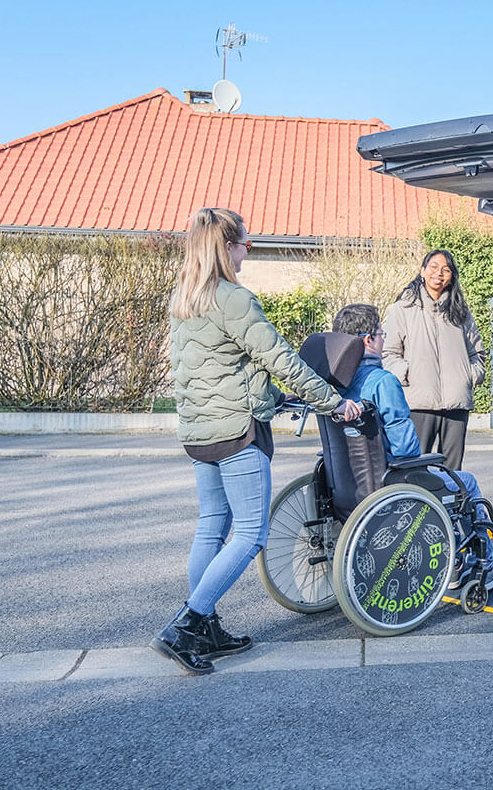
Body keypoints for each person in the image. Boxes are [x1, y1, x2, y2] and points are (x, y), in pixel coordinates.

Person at [152, 207, 361, 675]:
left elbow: (220, 367)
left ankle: (205, 624)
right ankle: (186, 625)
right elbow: (281, 359)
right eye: (246, 243)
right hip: (233, 431)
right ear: (225, 247)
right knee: (250, 532)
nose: (248, 249)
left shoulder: (185, 298)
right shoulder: (233, 299)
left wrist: (269, 393)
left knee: (212, 526)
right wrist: (333, 403)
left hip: (198, 430)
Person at [332, 304, 481, 504]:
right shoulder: (383, 382)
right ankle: (482, 535)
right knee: (467, 482)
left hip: (348, 483)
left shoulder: (331, 386)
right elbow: (405, 448)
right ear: (369, 340)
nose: (384, 339)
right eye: (381, 333)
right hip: (391, 482)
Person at [382, 249, 484, 471]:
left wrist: (469, 376)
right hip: (419, 403)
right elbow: (388, 353)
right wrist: (407, 373)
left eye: (446, 269)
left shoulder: (460, 312)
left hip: (456, 404)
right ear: (423, 271)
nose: (439, 273)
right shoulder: (404, 308)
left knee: (453, 471)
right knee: (416, 469)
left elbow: (478, 354)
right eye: (434, 267)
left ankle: (450, 507)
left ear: (452, 276)